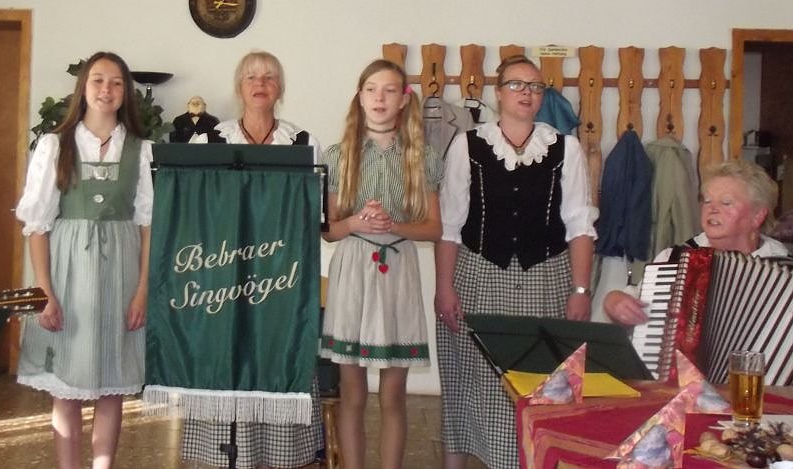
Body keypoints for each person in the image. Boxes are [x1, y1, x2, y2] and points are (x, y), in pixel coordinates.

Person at [434, 55, 597, 469]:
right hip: (479, 277)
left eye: (536, 86)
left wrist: (581, 289)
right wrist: (444, 287)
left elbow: (579, 225)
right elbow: (450, 225)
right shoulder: (468, 145)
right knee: (475, 382)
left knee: (540, 384)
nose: (527, 93)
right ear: (498, 92)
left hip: (546, 280)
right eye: (517, 84)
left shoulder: (566, 148)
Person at [182, 50, 324, 469]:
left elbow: (315, 215)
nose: (260, 84)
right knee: (225, 354)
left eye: (269, 77)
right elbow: (191, 212)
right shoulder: (209, 142)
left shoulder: (302, 143)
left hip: (280, 276)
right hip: (222, 274)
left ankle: (280, 452)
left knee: (276, 352)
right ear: (239, 87)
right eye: (251, 77)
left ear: (280, 88)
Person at [14, 51, 151, 469]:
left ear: (125, 92)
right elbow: (38, 226)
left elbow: (148, 226)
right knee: (66, 387)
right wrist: (45, 293)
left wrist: (142, 291)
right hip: (67, 274)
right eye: (98, 80)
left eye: (116, 82)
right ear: (83, 88)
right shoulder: (56, 145)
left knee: (112, 386)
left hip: (121, 271)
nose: (107, 89)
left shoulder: (141, 150)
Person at [319, 59, 442, 469]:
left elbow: (434, 228)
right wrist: (356, 222)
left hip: (397, 269)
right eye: (371, 89)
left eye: (390, 90)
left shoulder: (421, 156)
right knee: (352, 392)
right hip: (353, 268)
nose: (379, 98)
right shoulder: (339, 155)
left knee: (393, 394)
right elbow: (328, 230)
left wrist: (395, 225)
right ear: (359, 96)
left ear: (404, 100)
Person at [604, 159, 789, 326]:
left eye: (726, 202)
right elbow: (634, 302)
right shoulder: (675, 259)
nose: (712, 209)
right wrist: (613, 301)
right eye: (706, 201)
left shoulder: (784, 270)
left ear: (757, 216)